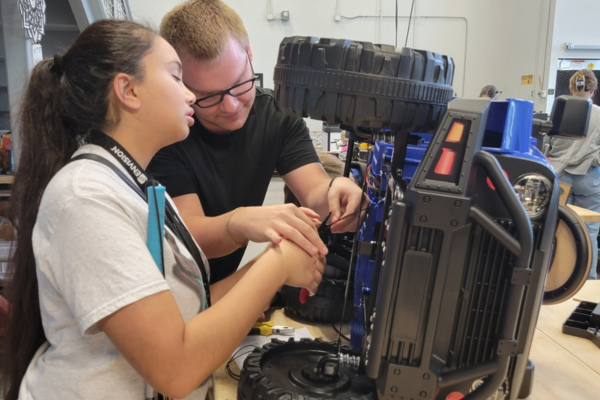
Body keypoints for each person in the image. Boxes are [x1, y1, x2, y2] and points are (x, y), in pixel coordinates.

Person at [0, 19, 324, 400]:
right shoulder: (86, 197)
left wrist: (275, 255)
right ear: (128, 90)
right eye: (176, 78)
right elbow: (175, 367)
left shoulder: (138, 186)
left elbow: (193, 310)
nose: (190, 96)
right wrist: (279, 263)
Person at [148, 0, 367, 284]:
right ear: (180, 83)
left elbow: (314, 191)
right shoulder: (169, 133)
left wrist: (337, 192)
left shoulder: (276, 115)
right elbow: (191, 237)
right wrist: (243, 222)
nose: (230, 106)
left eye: (240, 84)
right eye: (208, 96)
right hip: (170, 289)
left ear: (249, 53)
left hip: (219, 290)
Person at [547, 69, 600, 280]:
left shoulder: (560, 110)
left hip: (560, 178)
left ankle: (558, 281)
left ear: (570, 87)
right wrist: (592, 160)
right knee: (590, 233)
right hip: (589, 179)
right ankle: (589, 285)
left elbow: (549, 145)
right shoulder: (599, 114)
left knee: (558, 231)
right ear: (593, 90)